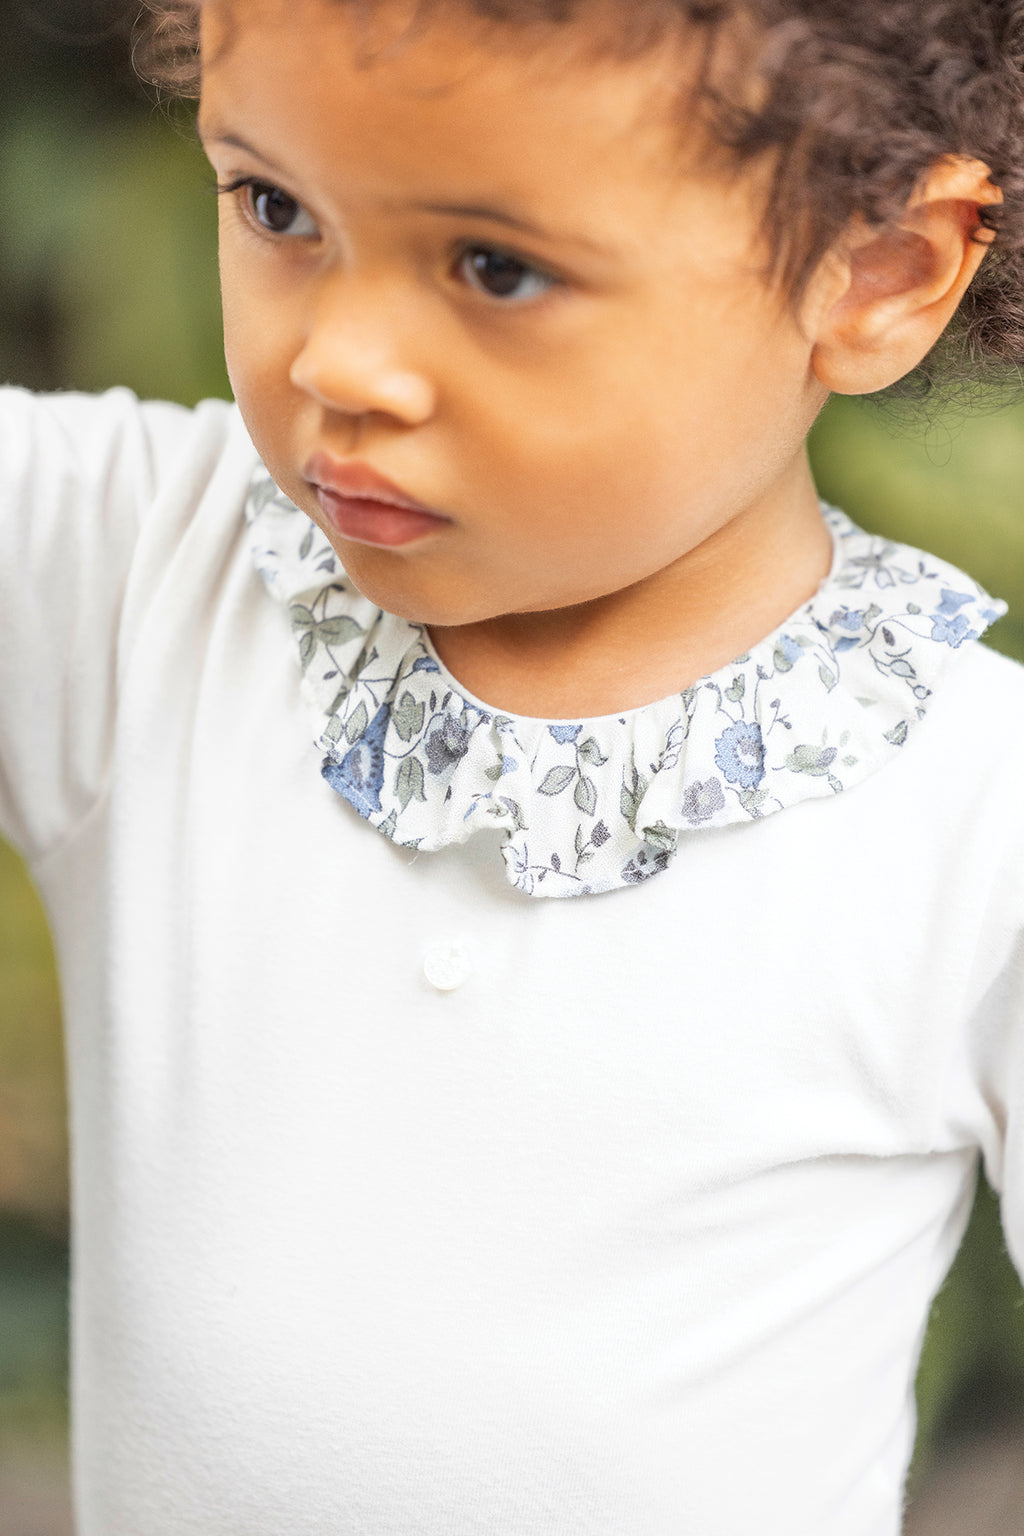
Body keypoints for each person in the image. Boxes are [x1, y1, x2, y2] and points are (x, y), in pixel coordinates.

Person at [2, 0, 1023, 1530]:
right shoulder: (139, 572)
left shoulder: (971, 817)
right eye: (276, 207)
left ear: (873, 271)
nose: (340, 361)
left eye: (498, 267)